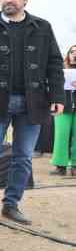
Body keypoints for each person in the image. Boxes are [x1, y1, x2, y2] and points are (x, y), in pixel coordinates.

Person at [0, 0, 65, 226]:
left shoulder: (42, 27)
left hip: (33, 102)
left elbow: (55, 64)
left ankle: (11, 205)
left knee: (22, 157)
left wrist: (57, 96)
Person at [50, 45, 76, 176]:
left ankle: (75, 166)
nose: (74, 54)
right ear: (68, 54)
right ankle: (60, 166)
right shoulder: (60, 69)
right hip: (63, 106)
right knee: (61, 136)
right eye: (72, 52)